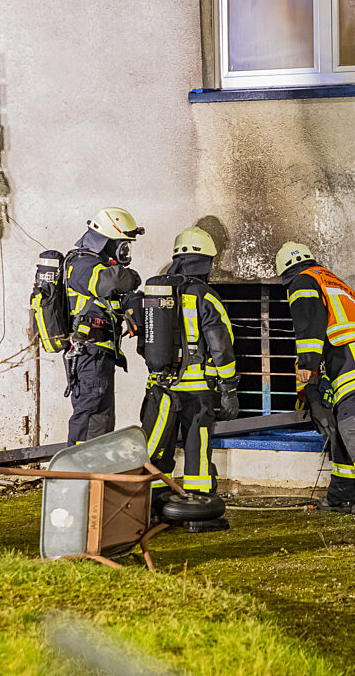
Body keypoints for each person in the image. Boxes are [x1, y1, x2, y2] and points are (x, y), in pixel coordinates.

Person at [277, 242, 355, 514]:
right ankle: (341, 493)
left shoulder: (302, 282)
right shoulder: (331, 279)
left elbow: (309, 327)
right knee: (343, 428)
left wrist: (307, 369)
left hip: (347, 363)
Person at [135, 227, 240, 505]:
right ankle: (200, 502)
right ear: (206, 261)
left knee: (155, 445)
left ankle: (151, 500)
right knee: (198, 443)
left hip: (160, 386)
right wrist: (229, 388)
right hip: (196, 391)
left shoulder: (155, 291)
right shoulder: (205, 296)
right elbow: (221, 346)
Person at [63, 207, 143, 445]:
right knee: (89, 414)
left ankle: (95, 474)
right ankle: (77, 476)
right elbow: (113, 281)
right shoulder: (83, 264)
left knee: (102, 417)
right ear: (106, 241)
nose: (125, 251)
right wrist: (133, 278)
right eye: (122, 244)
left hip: (100, 355)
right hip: (88, 354)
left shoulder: (96, 264)